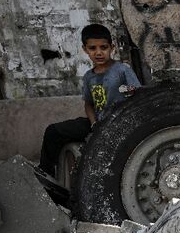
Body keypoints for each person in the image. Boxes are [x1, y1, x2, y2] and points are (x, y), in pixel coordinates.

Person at [38, 24, 141, 177]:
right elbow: (89, 104)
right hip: (97, 123)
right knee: (53, 131)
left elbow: (138, 94)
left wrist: (128, 91)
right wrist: (94, 125)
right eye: (93, 48)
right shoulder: (88, 77)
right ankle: (46, 174)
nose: (99, 52)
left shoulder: (122, 70)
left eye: (103, 47)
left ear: (112, 48)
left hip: (119, 123)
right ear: (85, 50)